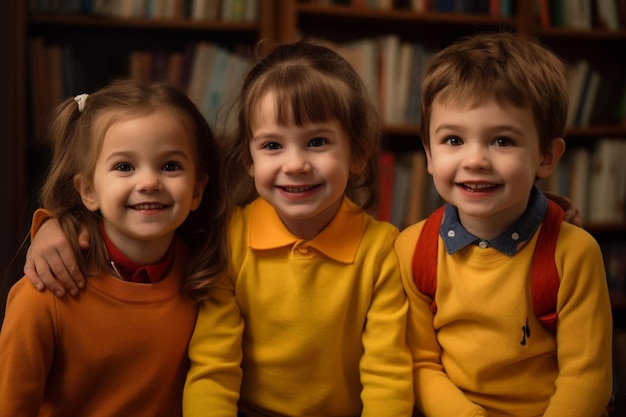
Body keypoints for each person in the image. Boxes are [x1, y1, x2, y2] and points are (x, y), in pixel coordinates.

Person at [394, 32, 613, 417]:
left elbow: (587, 376)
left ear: (546, 156)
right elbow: (420, 364)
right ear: (428, 155)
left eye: (501, 141)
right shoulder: (412, 249)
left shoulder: (574, 253)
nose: (475, 159)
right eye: (453, 140)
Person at [0, 79, 231, 416]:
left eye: (170, 166)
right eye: (124, 166)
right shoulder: (45, 294)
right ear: (88, 191)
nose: (149, 182)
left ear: (196, 190)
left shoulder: (205, 274)